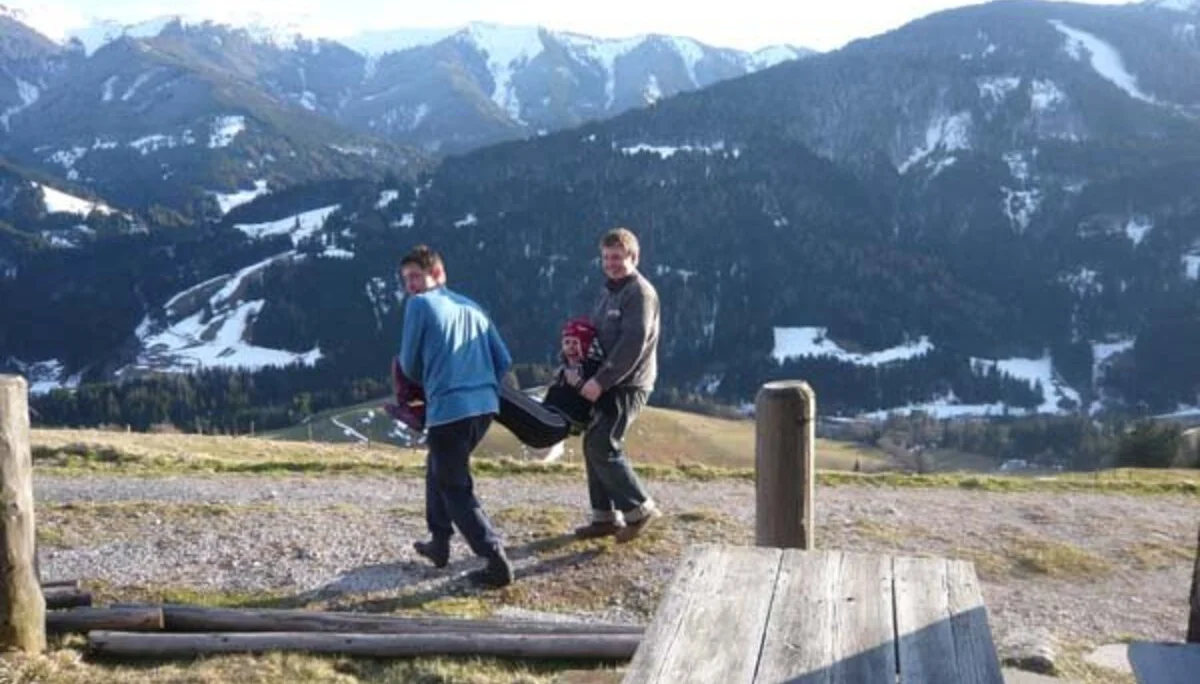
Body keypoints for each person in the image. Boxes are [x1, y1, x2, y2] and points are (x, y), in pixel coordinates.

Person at [398, 244, 515, 587]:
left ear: (437, 274)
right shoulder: (472, 306)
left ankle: (495, 560)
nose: (411, 285)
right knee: (438, 467)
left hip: (448, 408)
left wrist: (429, 380)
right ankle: (439, 542)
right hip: (484, 407)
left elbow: (408, 364)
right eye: (406, 279)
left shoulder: (418, 305)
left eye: (416, 276)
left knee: (454, 485)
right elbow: (503, 359)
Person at [573, 227, 663, 544]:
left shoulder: (640, 293)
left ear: (633, 258)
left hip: (627, 384)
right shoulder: (609, 290)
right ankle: (604, 518)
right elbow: (597, 332)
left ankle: (640, 509)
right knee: (592, 443)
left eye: (618, 257)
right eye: (606, 257)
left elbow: (632, 343)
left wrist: (601, 380)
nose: (611, 263)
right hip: (606, 381)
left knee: (602, 444)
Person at [540, 316, 604, 435]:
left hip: (565, 417)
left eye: (575, 343)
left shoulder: (590, 369)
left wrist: (578, 383)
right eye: (567, 342)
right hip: (552, 413)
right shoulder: (564, 369)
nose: (570, 347)